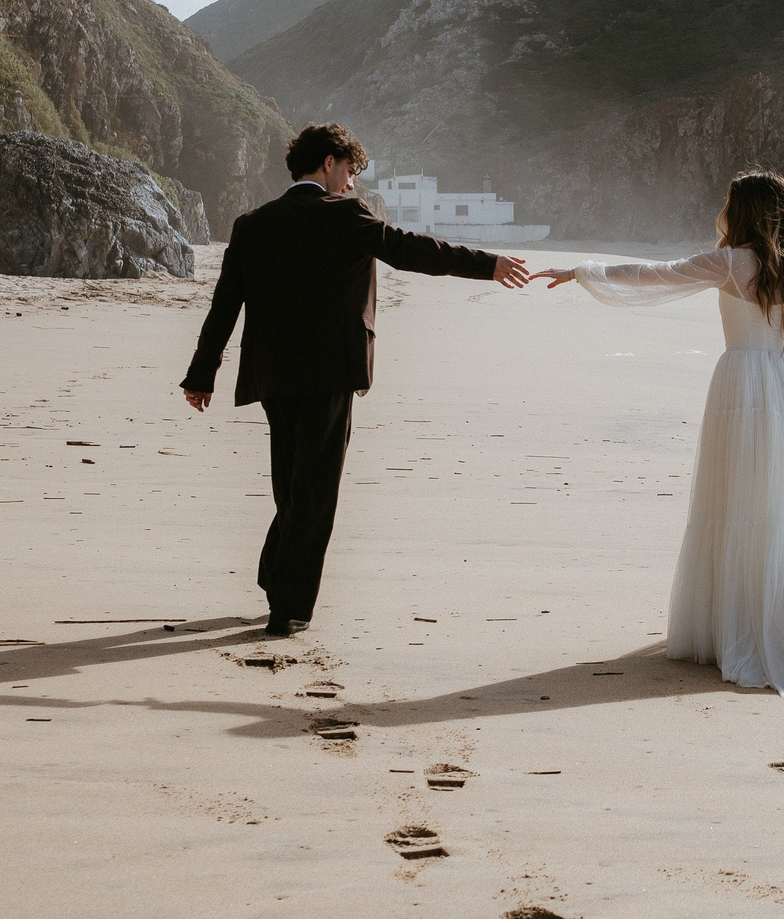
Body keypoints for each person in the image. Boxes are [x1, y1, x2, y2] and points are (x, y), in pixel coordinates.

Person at [532, 171, 784, 699]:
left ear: (739, 212)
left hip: (740, 386)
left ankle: (740, 624)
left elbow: (656, 275)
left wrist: (585, 272)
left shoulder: (727, 263)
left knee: (737, 501)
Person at [182, 124, 528, 636]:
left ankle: (278, 574)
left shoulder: (254, 224)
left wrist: (202, 373)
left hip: (272, 375)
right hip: (329, 372)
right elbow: (413, 251)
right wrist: (488, 265)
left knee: (292, 482)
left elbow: (224, 304)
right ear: (328, 163)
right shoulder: (345, 215)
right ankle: (290, 606)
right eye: (349, 171)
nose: (351, 183)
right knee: (315, 489)